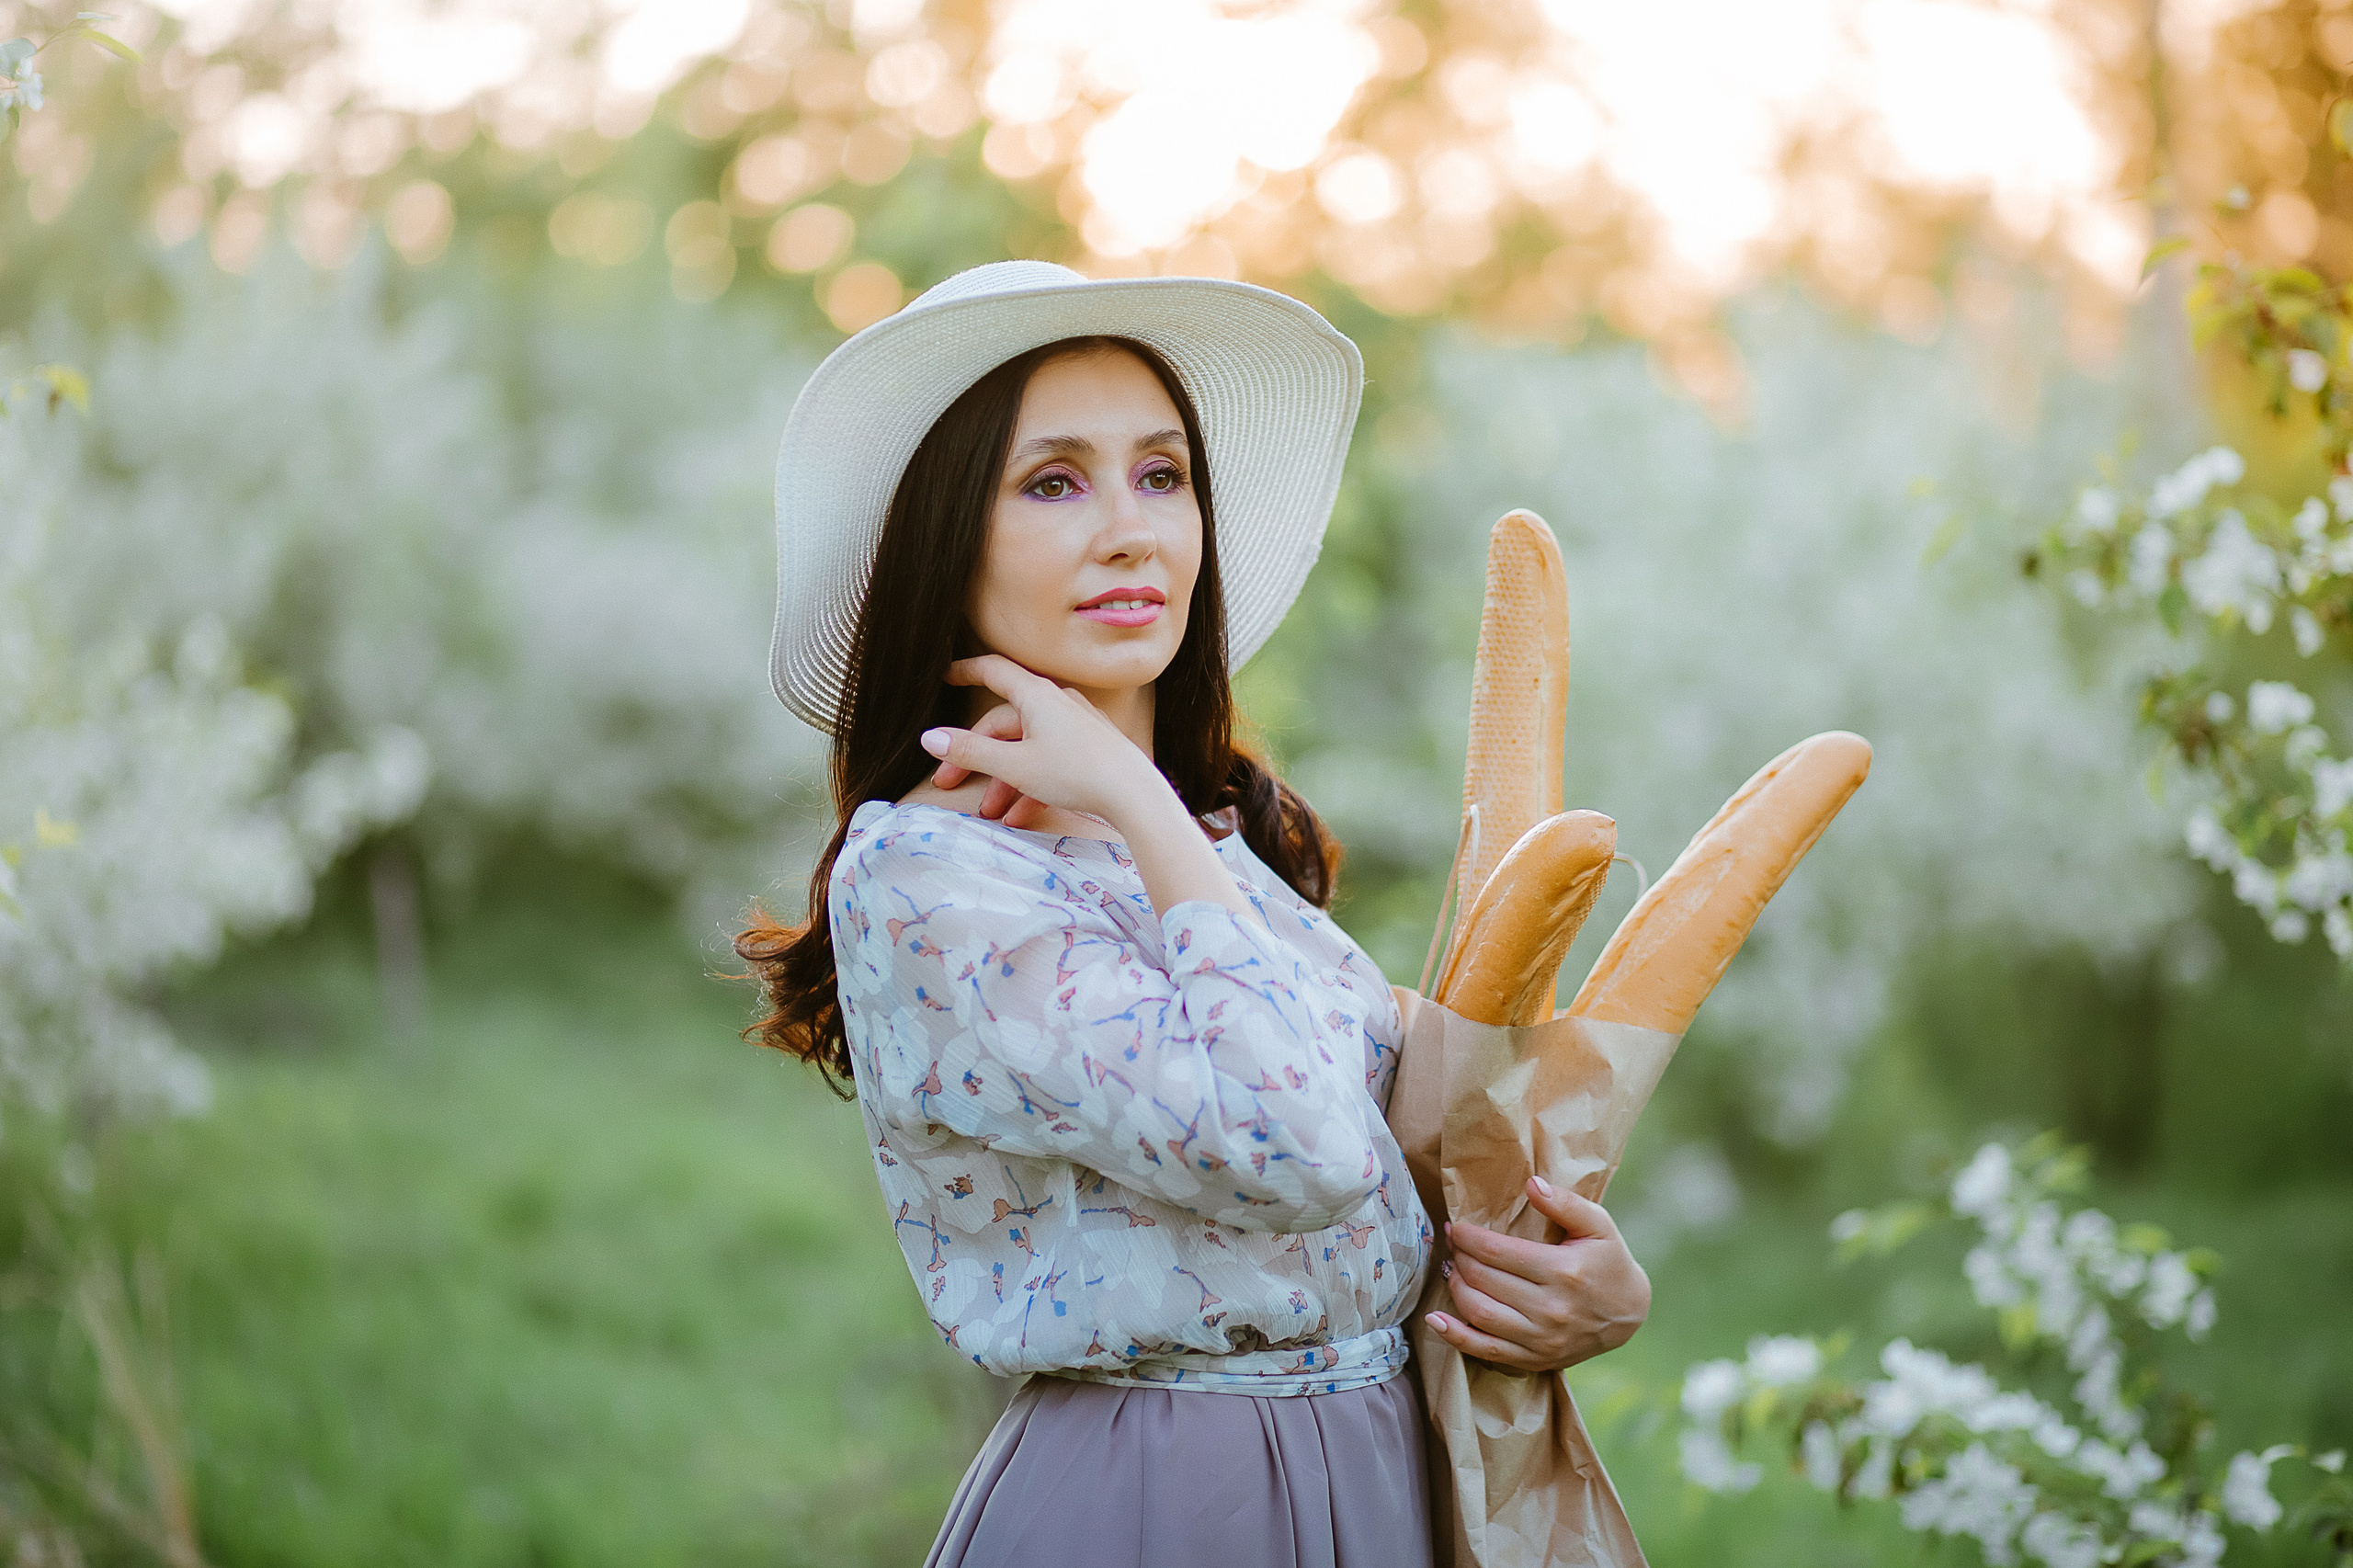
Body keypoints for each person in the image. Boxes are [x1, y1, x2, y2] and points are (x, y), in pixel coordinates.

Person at [736, 261, 1652, 1567]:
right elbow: (1298, 1143)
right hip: (1161, 1500)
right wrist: (1129, 789)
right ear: (948, 540)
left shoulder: (1214, 847)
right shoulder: (932, 881)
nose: (1133, 532)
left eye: (1162, 475)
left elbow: (1382, 1167)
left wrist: (1578, 1289)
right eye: (1055, 483)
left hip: (1378, 1480)